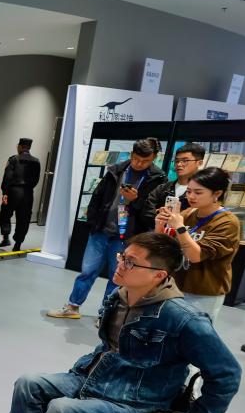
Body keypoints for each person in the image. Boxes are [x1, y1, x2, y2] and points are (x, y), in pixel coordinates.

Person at [0, 232, 241, 413]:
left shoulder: (183, 319)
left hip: (136, 401)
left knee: (62, 409)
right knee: (28, 383)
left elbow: (227, 373)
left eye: (131, 262)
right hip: (95, 378)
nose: (120, 264)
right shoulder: (119, 297)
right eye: (123, 257)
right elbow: (109, 346)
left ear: (159, 275)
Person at [47, 137, 165, 319]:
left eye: (145, 161)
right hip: (101, 230)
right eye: (136, 158)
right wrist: (93, 221)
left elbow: (151, 214)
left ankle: (106, 316)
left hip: (127, 237)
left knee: (117, 277)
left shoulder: (157, 179)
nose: (139, 164)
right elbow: (97, 196)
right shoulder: (116, 170)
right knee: (87, 271)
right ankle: (72, 306)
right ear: (131, 154)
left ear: (154, 158)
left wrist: (135, 201)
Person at [156, 166, 241, 320]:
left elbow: (196, 256)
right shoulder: (188, 213)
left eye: (198, 192)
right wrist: (160, 226)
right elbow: (163, 247)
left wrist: (180, 227)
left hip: (203, 293)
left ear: (217, 193)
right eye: (188, 191)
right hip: (174, 286)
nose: (191, 196)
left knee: (192, 332)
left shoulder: (228, 222)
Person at [142, 142, 205, 222]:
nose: (179, 164)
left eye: (185, 160)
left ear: (199, 163)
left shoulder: (204, 191)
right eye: (177, 160)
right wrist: (159, 215)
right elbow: (147, 211)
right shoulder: (163, 188)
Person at [0, 138, 41, 250]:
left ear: (20, 147)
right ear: (29, 147)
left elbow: (7, 177)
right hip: (28, 193)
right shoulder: (36, 161)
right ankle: (18, 244)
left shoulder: (13, 159)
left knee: (5, 214)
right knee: (24, 219)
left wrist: (5, 192)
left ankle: (6, 237)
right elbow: (36, 179)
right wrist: (28, 188)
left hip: (13, 192)